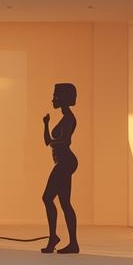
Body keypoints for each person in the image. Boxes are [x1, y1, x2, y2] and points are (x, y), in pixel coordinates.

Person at [41, 82, 80, 254]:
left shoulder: (69, 119)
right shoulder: (64, 118)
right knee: (64, 202)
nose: (52, 100)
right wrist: (46, 124)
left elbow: (65, 141)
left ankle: (53, 238)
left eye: (55, 97)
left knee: (47, 198)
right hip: (63, 162)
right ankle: (72, 243)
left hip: (65, 162)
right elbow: (48, 142)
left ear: (63, 99)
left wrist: (52, 142)